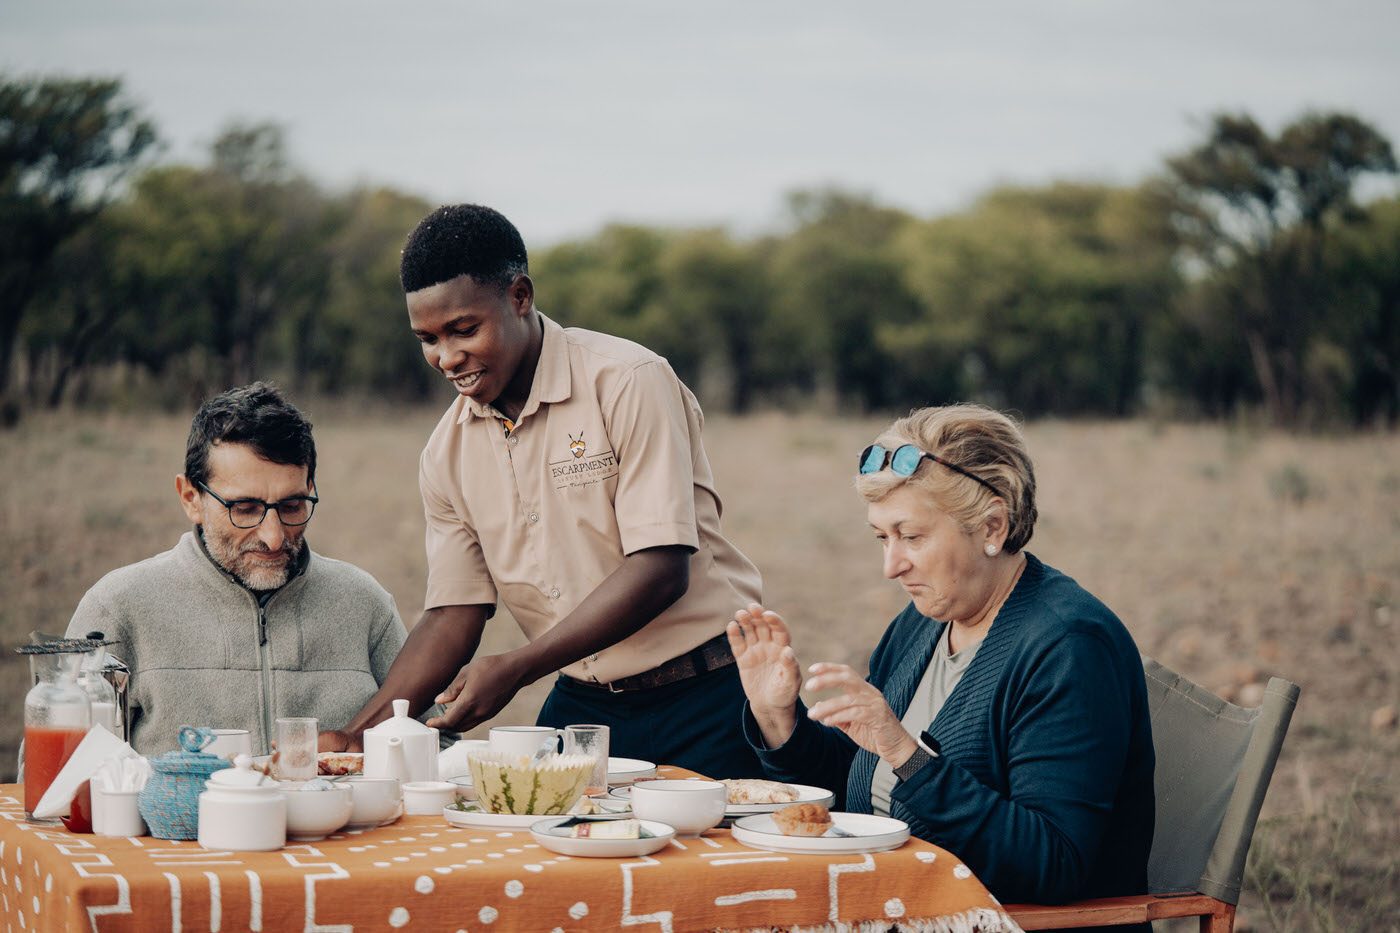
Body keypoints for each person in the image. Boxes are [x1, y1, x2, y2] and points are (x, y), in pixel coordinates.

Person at [324, 204, 765, 777]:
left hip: (708, 698)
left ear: (520, 297)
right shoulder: (445, 452)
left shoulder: (628, 381)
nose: (447, 358)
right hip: (584, 708)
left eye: (464, 330)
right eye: (427, 339)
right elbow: (455, 609)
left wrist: (519, 667)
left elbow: (660, 567)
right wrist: (358, 735)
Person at [728, 404, 1154, 913]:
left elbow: (1054, 864)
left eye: (911, 536)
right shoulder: (924, 622)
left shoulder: (1069, 646)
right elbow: (862, 786)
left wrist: (908, 756)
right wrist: (778, 718)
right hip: (892, 903)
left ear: (992, 527)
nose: (891, 566)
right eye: (882, 538)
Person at [63, 383, 407, 756]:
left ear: (310, 487)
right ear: (190, 498)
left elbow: (437, 743)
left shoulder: (366, 603)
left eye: (292, 506)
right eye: (244, 509)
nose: (274, 538)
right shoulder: (117, 607)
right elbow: (55, 772)